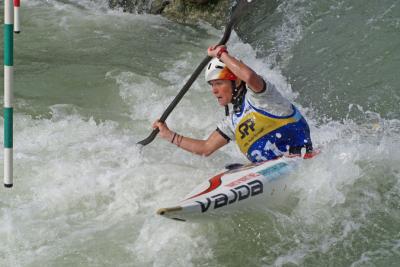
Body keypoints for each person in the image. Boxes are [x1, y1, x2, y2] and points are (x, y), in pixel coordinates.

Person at [152, 45, 313, 163]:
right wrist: (168, 135)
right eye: (212, 85)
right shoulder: (231, 121)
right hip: (270, 171)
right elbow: (206, 148)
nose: (214, 91)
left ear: (236, 81)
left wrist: (221, 54)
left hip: (302, 159)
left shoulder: (262, 96)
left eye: (219, 83)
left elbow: (249, 77)